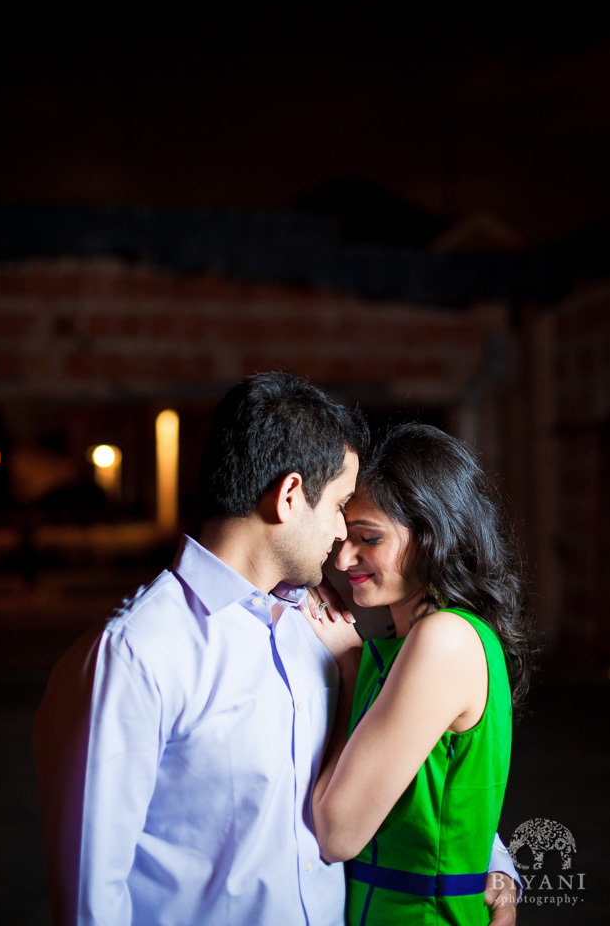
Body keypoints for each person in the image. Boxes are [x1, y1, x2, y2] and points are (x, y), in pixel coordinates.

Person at [33, 375, 518, 926]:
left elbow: (406, 761)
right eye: (339, 507)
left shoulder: (317, 626)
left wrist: (489, 860)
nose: (341, 539)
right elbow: (91, 899)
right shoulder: (138, 655)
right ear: (290, 497)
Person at [303, 422, 533, 925]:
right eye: (344, 535)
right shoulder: (419, 639)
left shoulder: (442, 639)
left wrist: (347, 669)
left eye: (369, 538)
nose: (342, 559)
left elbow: (336, 832)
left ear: (432, 538)